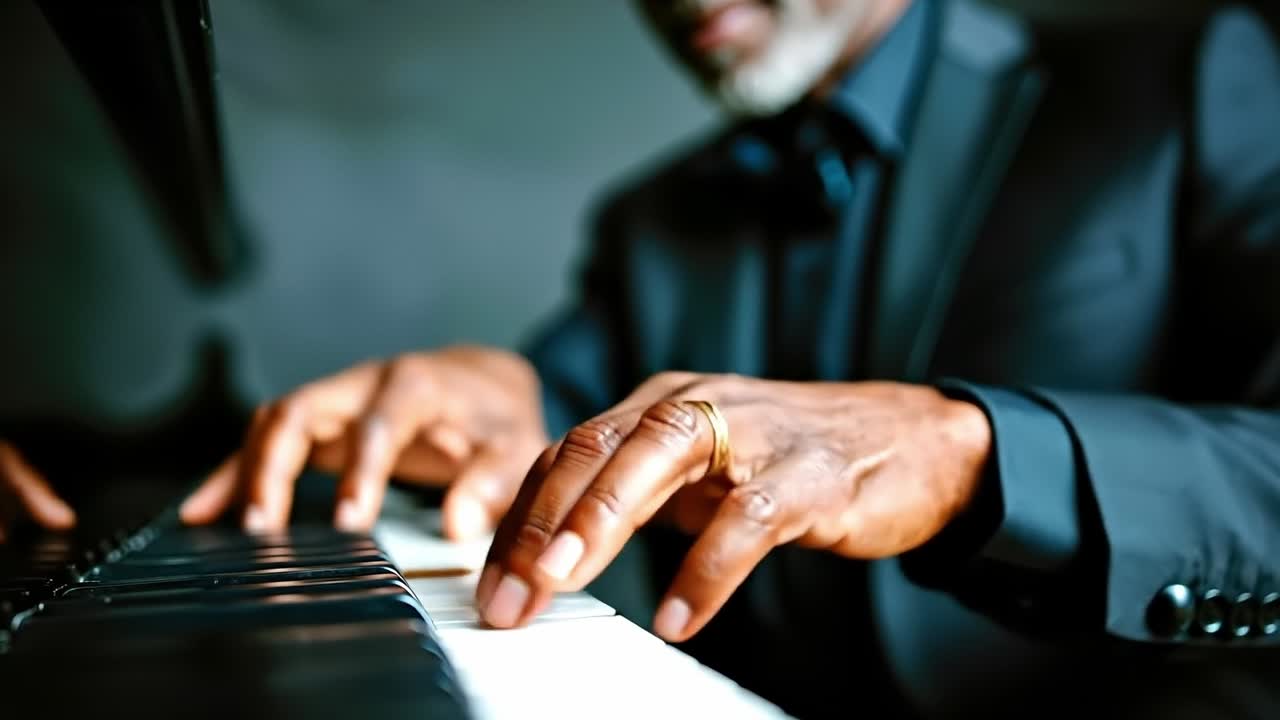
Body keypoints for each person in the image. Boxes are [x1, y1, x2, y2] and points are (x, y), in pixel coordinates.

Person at [21, 0, 1280, 717]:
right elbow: (570, 420)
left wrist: (962, 451)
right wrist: (505, 397)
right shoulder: (653, 218)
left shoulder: (1190, 70)